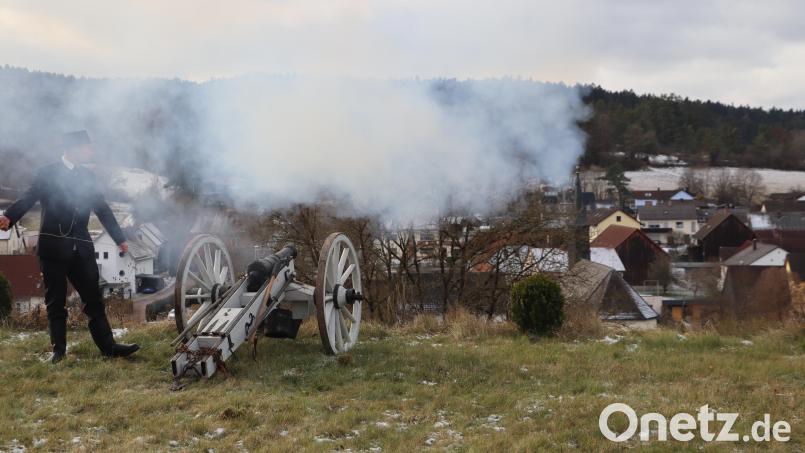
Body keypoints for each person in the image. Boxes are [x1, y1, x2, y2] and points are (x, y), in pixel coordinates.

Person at [0, 130, 139, 363]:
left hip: (81, 249)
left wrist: (120, 238)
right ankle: (59, 352)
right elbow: (29, 197)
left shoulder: (88, 176)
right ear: (73, 148)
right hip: (53, 248)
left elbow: (102, 209)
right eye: (87, 147)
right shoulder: (47, 173)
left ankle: (109, 347)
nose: (90, 151)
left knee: (93, 299)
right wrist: (9, 216)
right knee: (56, 302)